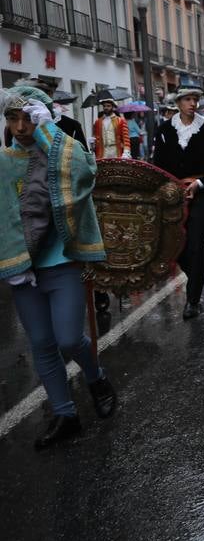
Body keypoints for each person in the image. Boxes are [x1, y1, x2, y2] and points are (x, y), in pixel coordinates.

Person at [1, 86, 117, 449]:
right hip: (24, 269)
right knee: (42, 344)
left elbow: (84, 172)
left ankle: (96, 376)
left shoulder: (61, 152)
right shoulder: (3, 160)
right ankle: (65, 413)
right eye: (12, 118)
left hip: (62, 261)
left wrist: (48, 128)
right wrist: (12, 261)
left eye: (28, 119)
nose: (21, 127)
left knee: (69, 338)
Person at [151, 81, 204, 320]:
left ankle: (192, 299)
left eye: (195, 99)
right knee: (175, 246)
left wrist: (199, 184)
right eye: (188, 99)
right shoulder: (163, 131)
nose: (193, 104)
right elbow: (156, 166)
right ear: (178, 103)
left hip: (199, 192)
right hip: (172, 194)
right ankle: (194, 276)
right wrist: (167, 189)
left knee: (197, 244)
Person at [92, 94, 130, 160]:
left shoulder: (120, 121)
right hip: (103, 152)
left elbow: (126, 138)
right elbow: (96, 137)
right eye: (104, 106)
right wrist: (93, 142)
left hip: (116, 150)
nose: (106, 108)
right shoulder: (98, 122)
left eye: (108, 106)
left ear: (112, 107)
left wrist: (126, 151)